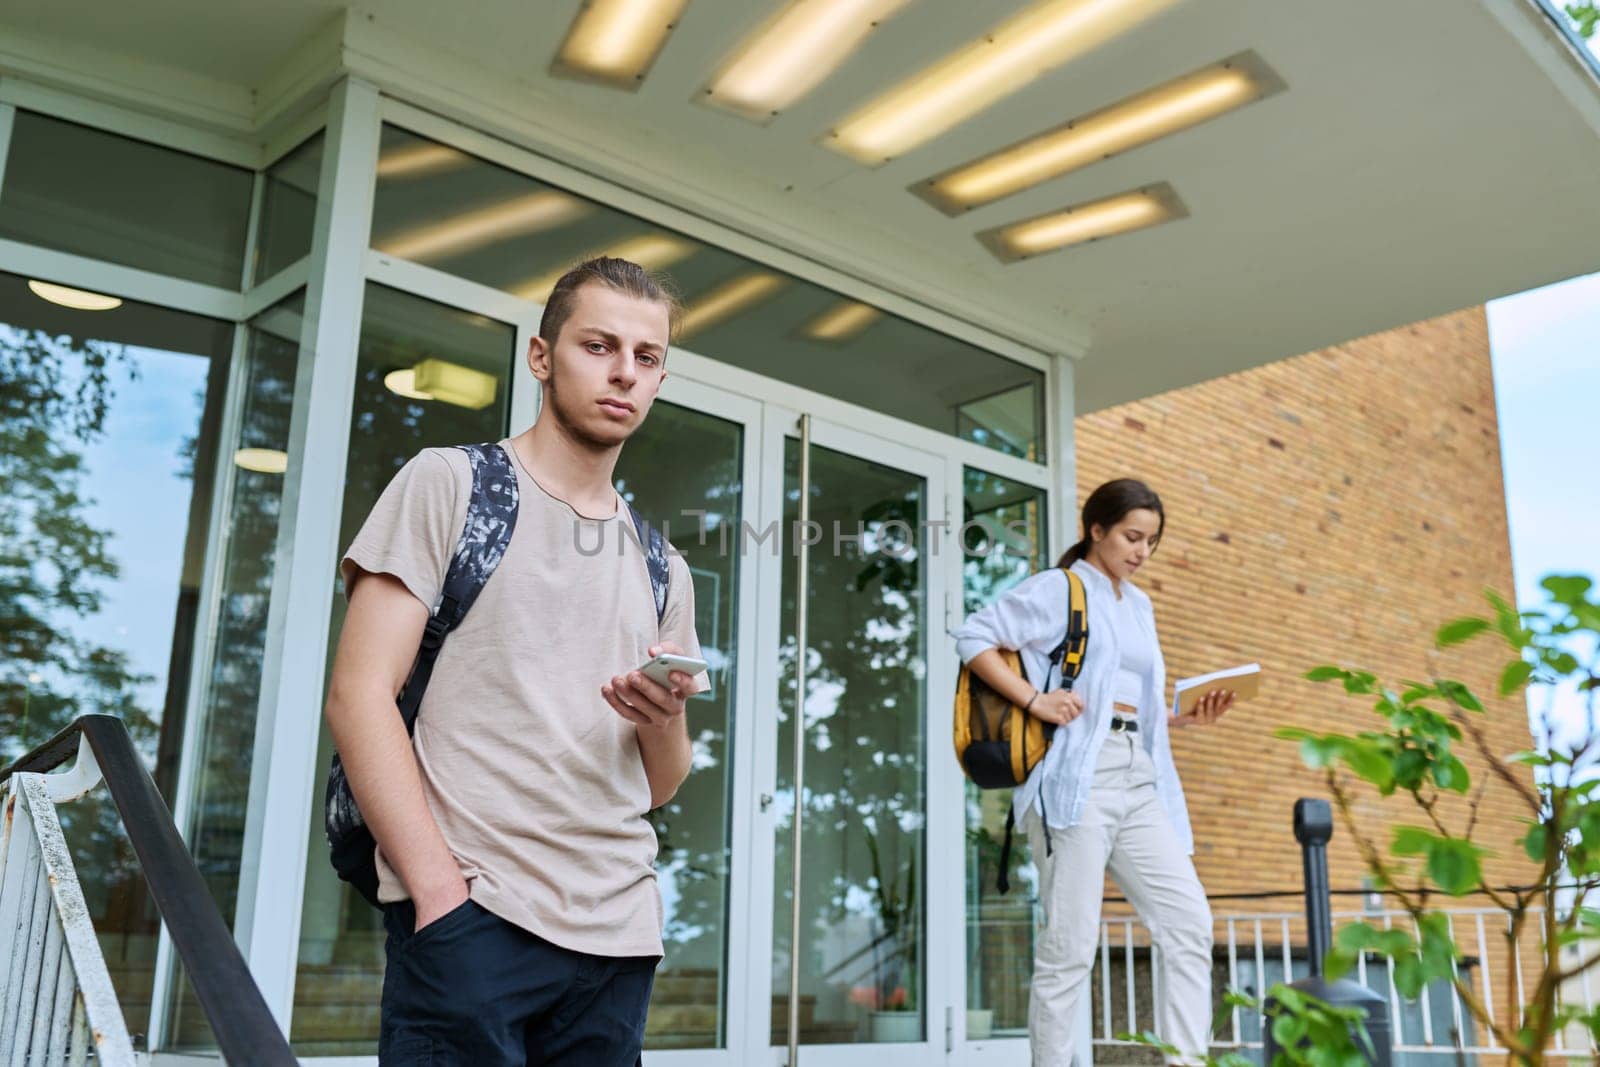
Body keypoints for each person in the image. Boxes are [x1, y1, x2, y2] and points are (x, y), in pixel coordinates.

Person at [324, 257, 705, 1066]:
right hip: (476, 915)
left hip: (617, 936)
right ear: (541, 356)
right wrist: (437, 895)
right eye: (598, 345)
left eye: (645, 358)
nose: (623, 373)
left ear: (661, 378)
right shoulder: (453, 485)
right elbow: (359, 695)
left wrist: (662, 719)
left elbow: (662, 781)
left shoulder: (660, 561)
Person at [953, 478, 1234, 1067]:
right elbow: (975, 634)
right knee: (1070, 948)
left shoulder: (1140, 605)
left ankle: (1185, 1062)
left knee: (1188, 923)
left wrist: (1188, 716)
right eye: (1133, 537)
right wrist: (1035, 700)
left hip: (1140, 776)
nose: (1142, 552)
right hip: (1077, 780)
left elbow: (1133, 702)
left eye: (1152, 541)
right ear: (1096, 529)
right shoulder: (1060, 588)